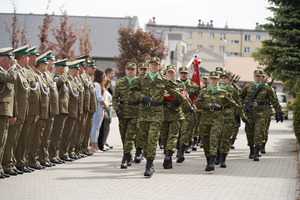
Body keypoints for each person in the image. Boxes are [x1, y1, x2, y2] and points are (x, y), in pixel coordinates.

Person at [129, 57, 192, 177]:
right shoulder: (141, 79)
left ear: (159, 67)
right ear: (148, 66)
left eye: (155, 65)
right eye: (151, 64)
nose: (153, 66)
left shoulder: (163, 80)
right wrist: (142, 96)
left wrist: (188, 105)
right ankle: (148, 158)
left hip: (157, 113)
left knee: (152, 139)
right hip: (143, 113)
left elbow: (175, 92)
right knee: (144, 140)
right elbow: (132, 92)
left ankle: (149, 164)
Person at [196, 71, 248, 172]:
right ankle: (208, 160)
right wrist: (210, 105)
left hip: (218, 119)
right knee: (206, 141)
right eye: (212, 79)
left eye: (215, 79)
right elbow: (198, 103)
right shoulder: (204, 91)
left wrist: (243, 116)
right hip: (205, 120)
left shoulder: (224, 93)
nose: (213, 80)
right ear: (210, 79)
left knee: (214, 140)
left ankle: (212, 162)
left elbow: (234, 104)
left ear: (218, 80)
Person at [240, 69, 283, 161]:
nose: (257, 78)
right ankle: (251, 149)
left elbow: (274, 100)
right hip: (250, 113)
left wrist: (279, 112)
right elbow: (241, 96)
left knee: (259, 132)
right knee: (249, 132)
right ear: (253, 77)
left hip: (262, 113)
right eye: (256, 76)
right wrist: (242, 105)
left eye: (259, 76)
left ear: (261, 77)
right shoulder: (248, 87)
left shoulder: (267, 89)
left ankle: (256, 152)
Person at [2, 45, 30, 176]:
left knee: (13, 140)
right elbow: (15, 93)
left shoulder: (17, 72)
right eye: (9, 58)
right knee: (7, 140)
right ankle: (7, 165)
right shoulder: (12, 72)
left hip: (15, 111)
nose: (11, 61)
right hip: (8, 111)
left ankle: (11, 164)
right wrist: (14, 113)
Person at [15, 46, 40, 173]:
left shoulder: (29, 72)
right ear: (24, 57)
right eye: (30, 56)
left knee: (28, 138)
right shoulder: (20, 71)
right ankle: (17, 162)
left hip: (30, 111)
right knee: (20, 138)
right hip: (23, 111)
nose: (32, 58)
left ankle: (22, 161)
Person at [113, 62, 139, 169]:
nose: (130, 71)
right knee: (123, 135)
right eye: (128, 69)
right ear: (125, 70)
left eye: (132, 70)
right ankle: (128, 154)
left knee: (130, 136)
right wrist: (117, 109)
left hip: (135, 112)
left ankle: (124, 158)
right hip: (123, 112)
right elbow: (115, 98)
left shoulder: (139, 82)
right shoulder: (120, 82)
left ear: (135, 71)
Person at [215, 71, 242, 168]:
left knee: (225, 138)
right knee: (216, 137)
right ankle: (217, 156)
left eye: (225, 78)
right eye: (221, 78)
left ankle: (223, 159)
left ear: (228, 79)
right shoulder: (215, 88)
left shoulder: (232, 89)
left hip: (229, 115)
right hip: (216, 115)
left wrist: (239, 114)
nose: (223, 80)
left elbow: (237, 102)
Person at [29, 53, 51, 168]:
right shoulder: (36, 76)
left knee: (41, 138)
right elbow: (36, 97)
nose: (47, 67)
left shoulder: (42, 76)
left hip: (44, 112)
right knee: (36, 138)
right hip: (39, 112)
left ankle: (38, 159)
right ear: (41, 65)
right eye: (45, 64)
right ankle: (33, 160)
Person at [177, 66, 200, 163]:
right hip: (176, 112)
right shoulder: (174, 84)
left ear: (188, 74)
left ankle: (181, 152)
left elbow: (200, 97)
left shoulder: (194, 86)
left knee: (185, 132)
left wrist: (196, 105)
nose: (183, 75)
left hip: (188, 112)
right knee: (177, 133)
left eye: (185, 73)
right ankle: (178, 149)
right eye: (181, 73)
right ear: (179, 74)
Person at [0, 47, 17, 179]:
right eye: (9, 59)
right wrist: (14, 67)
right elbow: (11, 77)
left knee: (3, 140)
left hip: (5, 111)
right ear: (3, 60)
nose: (11, 62)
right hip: (1, 111)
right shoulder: (4, 72)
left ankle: (1, 167)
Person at [90, 69, 107, 152]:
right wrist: (105, 104)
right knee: (95, 127)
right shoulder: (96, 84)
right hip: (97, 107)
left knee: (97, 127)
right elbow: (99, 97)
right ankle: (94, 145)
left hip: (100, 107)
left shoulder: (99, 84)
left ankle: (95, 145)